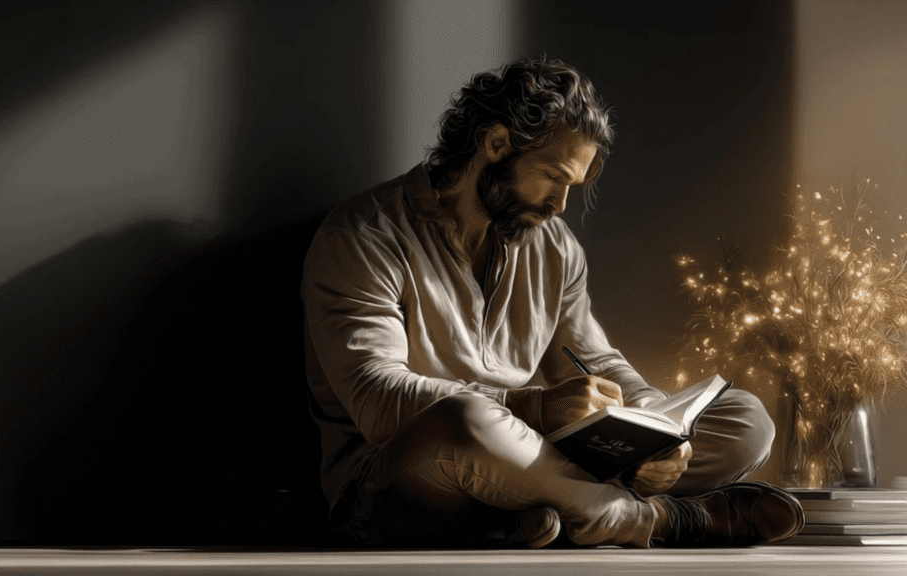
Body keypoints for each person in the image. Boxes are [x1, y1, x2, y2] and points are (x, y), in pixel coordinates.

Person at [300, 56, 804, 549]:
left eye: (573, 187)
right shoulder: (363, 237)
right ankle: (665, 520)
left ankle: (529, 518)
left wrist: (659, 431)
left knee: (746, 420)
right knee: (466, 421)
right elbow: (378, 399)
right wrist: (535, 407)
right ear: (496, 144)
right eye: (553, 177)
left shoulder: (553, 245)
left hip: (528, 457)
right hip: (404, 478)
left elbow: (597, 362)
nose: (561, 205)